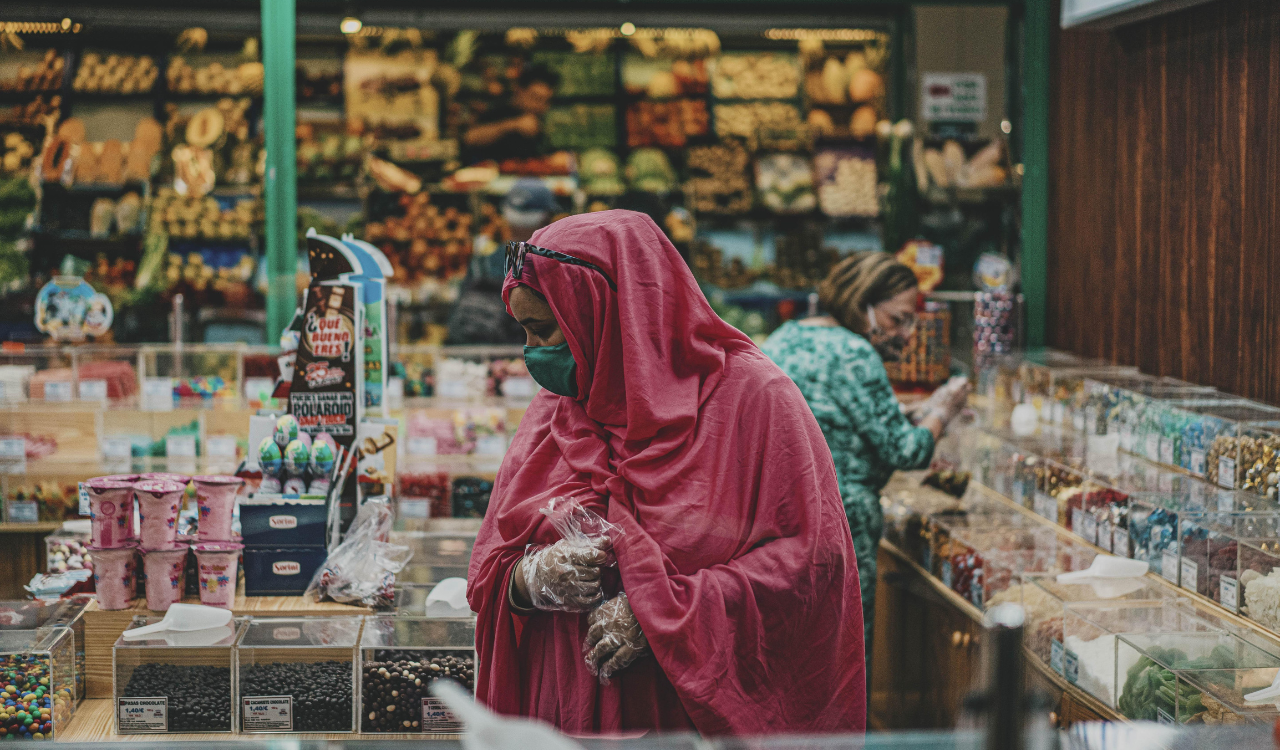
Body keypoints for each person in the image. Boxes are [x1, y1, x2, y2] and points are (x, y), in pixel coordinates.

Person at [467, 211, 866, 735]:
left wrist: (664, 612)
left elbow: (811, 560)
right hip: (563, 711)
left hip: (685, 714)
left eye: (546, 330)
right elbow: (490, 565)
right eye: (525, 332)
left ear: (611, 313)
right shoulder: (559, 406)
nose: (533, 353)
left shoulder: (754, 399)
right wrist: (531, 580)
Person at [761, 252, 970, 659]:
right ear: (862, 304)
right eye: (898, 319)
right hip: (843, 526)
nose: (907, 335)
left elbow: (831, 414)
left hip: (781, 521)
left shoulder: (786, 336)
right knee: (844, 655)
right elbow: (905, 450)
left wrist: (906, 412)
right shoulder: (856, 352)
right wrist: (943, 410)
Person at [462, 64, 560, 163]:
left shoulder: (540, 119)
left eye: (546, 101)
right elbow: (469, 138)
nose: (540, 106)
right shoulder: (497, 108)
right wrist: (513, 125)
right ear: (519, 90)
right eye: (535, 98)